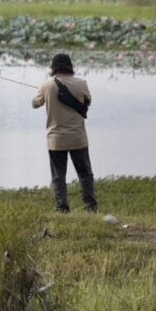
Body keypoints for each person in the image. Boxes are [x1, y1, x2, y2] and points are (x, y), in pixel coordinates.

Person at [32, 53, 97, 213]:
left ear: (54, 68)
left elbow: (35, 104)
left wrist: (43, 92)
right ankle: (90, 206)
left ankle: (62, 208)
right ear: (70, 66)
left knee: (58, 176)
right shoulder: (82, 83)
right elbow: (88, 100)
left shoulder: (46, 85)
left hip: (56, 140)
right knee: (85, 173)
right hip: (78, 138)